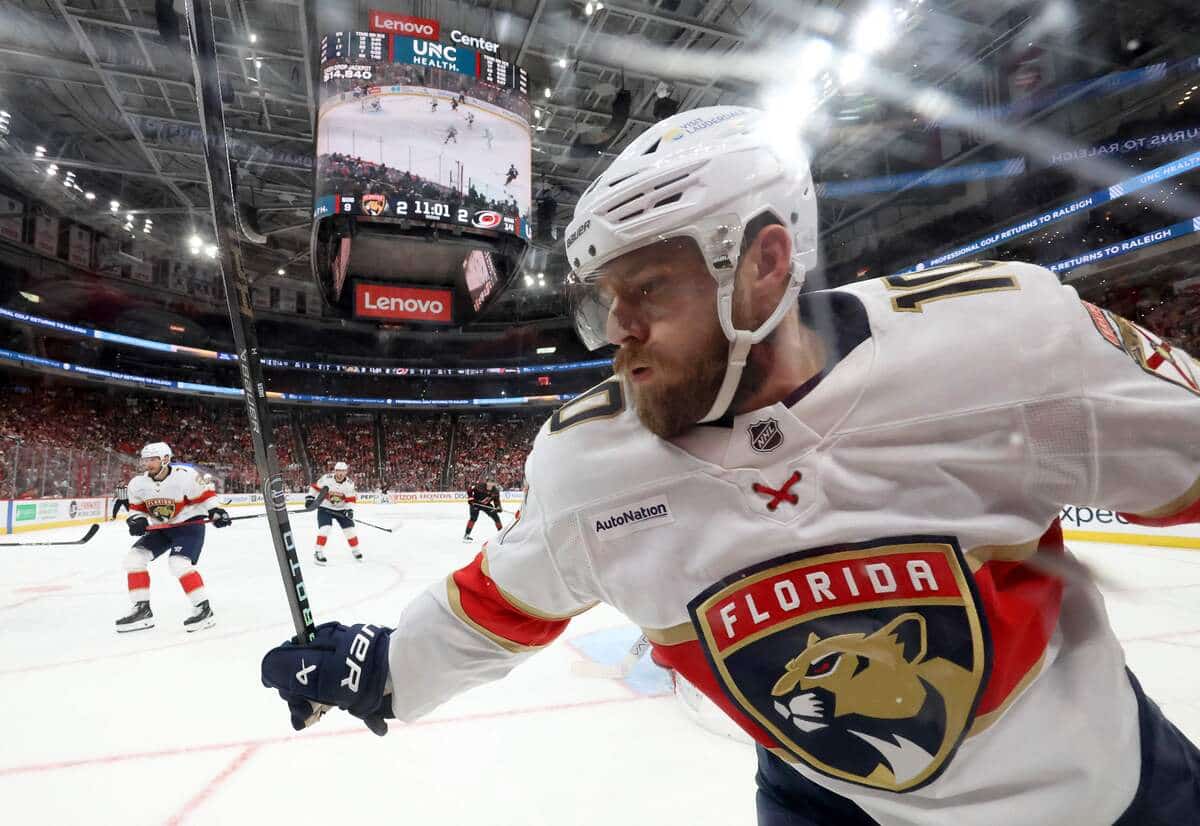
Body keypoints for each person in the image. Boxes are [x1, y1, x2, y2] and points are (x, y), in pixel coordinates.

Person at [261, 106, 1200, 824]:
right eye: (606, 301)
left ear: (764, 263)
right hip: (823, 793)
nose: (617, 336)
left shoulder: (1007, 346)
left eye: (650, 290)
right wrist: (380, 669)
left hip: (1104, 791)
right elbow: (498, 602)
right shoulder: (591, 467)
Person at [116, 442, 230, 633]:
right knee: (134, 559)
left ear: (165, 459)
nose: (148, 464)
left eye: (153, 459)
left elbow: (206, 496)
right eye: (146, 460)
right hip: (162, 527)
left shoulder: (185, 477)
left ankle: (203, 608)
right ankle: (142, 610)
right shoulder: (138, 484)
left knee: (178, 563)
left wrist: (216, 511)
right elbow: (136, 510)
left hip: (188, 525)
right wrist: (136, 521)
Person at [309, 461, 360, 564]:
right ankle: (318, 552)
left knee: (350, 530)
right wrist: (309, 498)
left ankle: (355, 550)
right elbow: (314, 487)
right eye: (338, 471)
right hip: (325, 508)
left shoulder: (349, 484)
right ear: (335, 471)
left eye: (343, 471)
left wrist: (349, 510)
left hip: (341, 509)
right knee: (325, 529)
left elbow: (350, 500)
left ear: (346, 472)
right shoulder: (326, 479)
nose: (340, 473)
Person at [462, 477, 502, 542]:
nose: (490, 484)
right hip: (476, 503)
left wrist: (498, 507)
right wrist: (471, 499)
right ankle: (467, 535)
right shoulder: (479, 486)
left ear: (494, 483)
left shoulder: (496, 491)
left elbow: (496, 501)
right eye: (489, 482)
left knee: (496, 517)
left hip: (486, 505)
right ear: (486, 482)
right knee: (473, 518)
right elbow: (469, 490)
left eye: (492, 482)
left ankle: (501, 534)